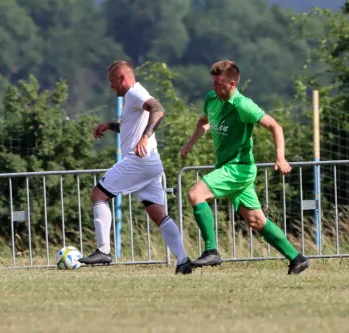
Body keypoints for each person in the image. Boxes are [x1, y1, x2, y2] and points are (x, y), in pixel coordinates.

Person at [180, 59, 309, 275]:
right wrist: (190, 143)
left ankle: (211, 250)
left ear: (231, 84)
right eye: (213, 82)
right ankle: (297, 259)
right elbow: (204, 121)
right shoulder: (212, 98)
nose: (214, 86)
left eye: (218, 83)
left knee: (195, 194)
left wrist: (280, 157)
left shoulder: (243, 105)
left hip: (239, 167)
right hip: (228, 168)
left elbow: (275, 126)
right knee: (256, 221)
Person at [78, 60, 193, 274]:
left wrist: (145, 138)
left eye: (112, 81)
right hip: (152, 163)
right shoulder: (133, 96)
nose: (111, 86)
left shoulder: (134, 93)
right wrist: (109, 126)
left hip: (139, 160)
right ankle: (183, 260)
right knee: (158, 214)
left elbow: (158, 109)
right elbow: (129, 127)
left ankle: (103, 251)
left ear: (122, 78)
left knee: (98, 195)